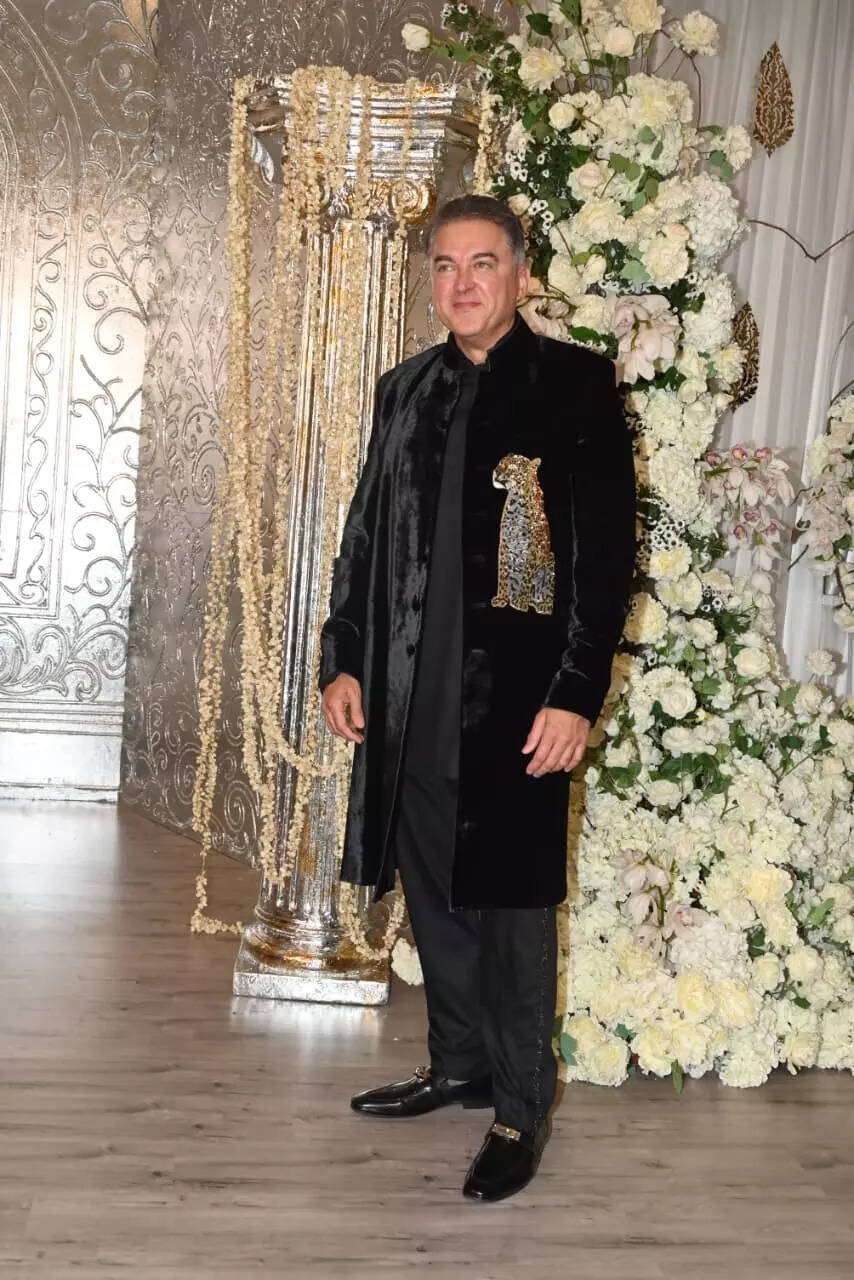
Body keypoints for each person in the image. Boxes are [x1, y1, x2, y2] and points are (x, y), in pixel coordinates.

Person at [319, 194, 636, 1202]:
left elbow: (605, 559)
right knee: (433, 887)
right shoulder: (403, 389)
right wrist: (342, 657)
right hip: (408, 693)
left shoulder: (574, 385)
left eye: (483, 263)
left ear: (522, 274)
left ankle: (520, 1105)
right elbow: (363, 535)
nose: (462, 283)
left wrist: (575, 692)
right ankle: (457, 1063)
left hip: (519, 700)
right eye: (446, 265)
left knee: (512, 905)